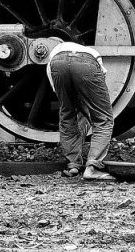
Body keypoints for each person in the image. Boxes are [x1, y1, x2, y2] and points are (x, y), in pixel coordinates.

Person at [45, 38, 116, 181]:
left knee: (67, 114)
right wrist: (92, 115)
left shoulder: (58, 50)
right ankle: (93, 168)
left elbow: (57, 91)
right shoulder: (89, 51)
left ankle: (73, 166)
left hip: (57, 62)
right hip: (87, 63)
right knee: (103, 118)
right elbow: (100, 80)